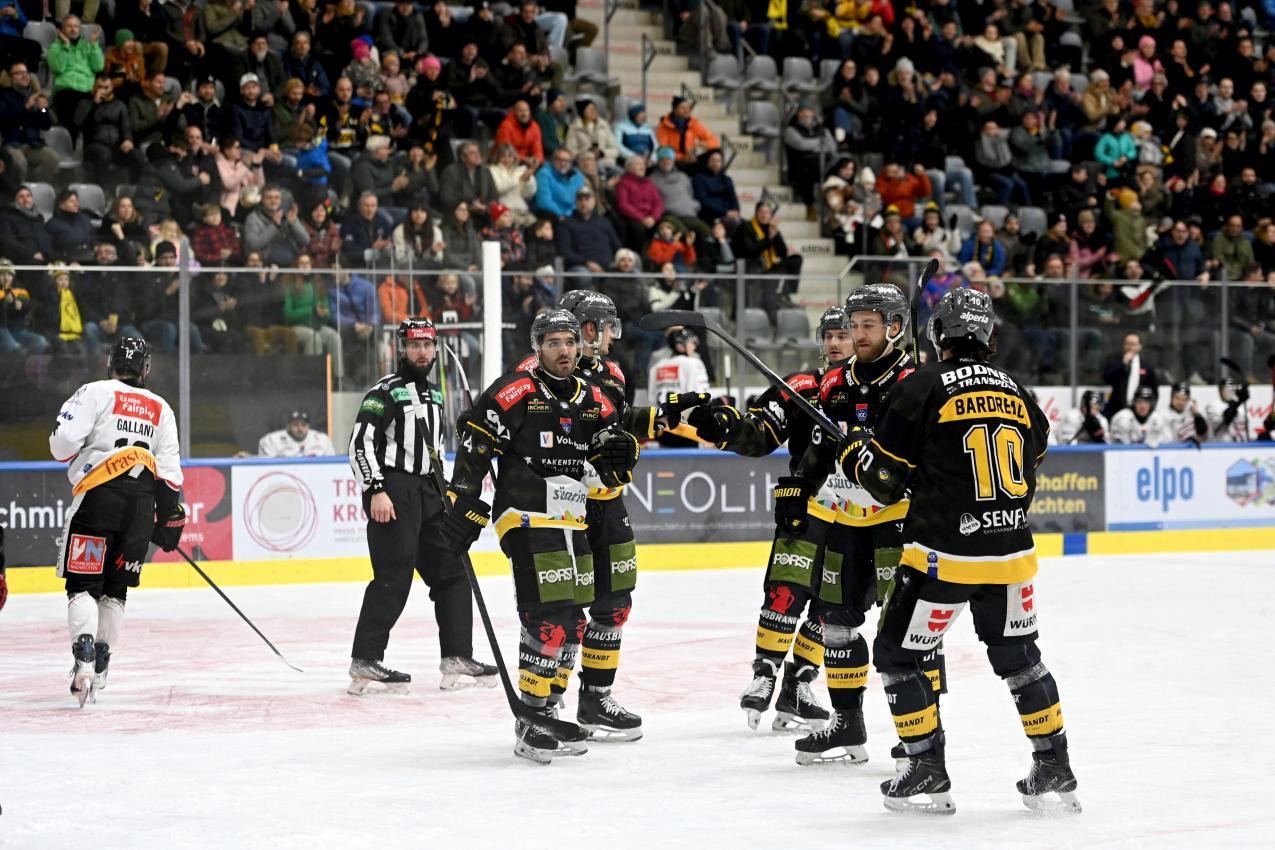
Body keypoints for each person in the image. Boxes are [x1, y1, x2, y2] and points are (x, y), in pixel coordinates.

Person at [836, 287, 1077, 815]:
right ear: (989, 335)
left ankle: (925, 767)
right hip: (1012, 555)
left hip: (942, 557)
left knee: (899, 656)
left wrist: (855, 454)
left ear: (937, 335)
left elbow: (883, 482)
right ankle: (1054, 762)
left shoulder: (923, 384)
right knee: (1021, 660)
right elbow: (1035, 452)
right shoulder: (1016, 389)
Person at [444, 308, 641, 762]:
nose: (564, 351)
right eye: (553, 343)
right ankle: (530, 717)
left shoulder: (596, 399)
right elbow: (476, 441)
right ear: (537, 348)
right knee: (549, 618)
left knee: (573, 621)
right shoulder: (516, 390)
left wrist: (621, 456)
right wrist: (465, 504)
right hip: (527, 517)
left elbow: (612, 454)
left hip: (575, 522)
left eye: (569, 342)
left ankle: (549, 706)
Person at [777, 286, 940, 765]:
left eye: (869, 324)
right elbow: (820, 449)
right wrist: (798, 485)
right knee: (835, 623)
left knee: (911, 631)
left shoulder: (918, 381)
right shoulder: (834, 383)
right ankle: (847, 725)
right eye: (854, 325)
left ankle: (923, 735)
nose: (858, 333)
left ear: (894, 327)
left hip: (899, 523)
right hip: (846, 520)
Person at [688, 308, 854, 734]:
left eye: (845, 334)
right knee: (786, 591)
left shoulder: (886, 388)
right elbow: (761, 431)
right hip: (809, 504)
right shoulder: (802, 386)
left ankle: (800, 682)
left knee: (833, 607)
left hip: (861, 517)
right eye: (829, 335)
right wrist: (726, 429)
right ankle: (765, 674)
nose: (835, 343)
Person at [348, 317, 497, 694]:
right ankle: (365, 660)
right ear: (402, 348)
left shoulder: (434, 394)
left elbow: (432, 447)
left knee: (452, 571)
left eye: (428, 345)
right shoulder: (383, 391)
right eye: (414, 345)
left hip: (430, 492)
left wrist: (445, 487)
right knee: (393, 577)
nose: (422, 351)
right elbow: (359, 445)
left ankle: (457, 656)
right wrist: (375, 489)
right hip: (394, 492)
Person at [48, 337, 185, 706]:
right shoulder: (161, 407)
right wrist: (169, 516)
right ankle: (103, 662)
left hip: (98, 502)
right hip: (139, 510)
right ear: (146, 368)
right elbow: (170, 475)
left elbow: (61, 445)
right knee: (116, 590)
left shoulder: (94, 392)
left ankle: (85, 654)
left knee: (82, 584)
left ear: (111, 363)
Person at [1101, 331, 1158, 420]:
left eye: (1133, 344)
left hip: (1139, 411)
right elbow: (1106, 378)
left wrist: (1149, 410)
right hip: (1116, 409)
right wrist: (1123, 364)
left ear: (1140, 346)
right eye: (1127, 344)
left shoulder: (1146, 367)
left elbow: (1154, 391)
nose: (1129, 347)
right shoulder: (1115, 361)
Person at [258, 410, 336, 457]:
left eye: (304, 425)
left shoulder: (322, 439)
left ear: (308, 426)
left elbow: (333, 464)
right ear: (288, 426)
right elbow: (265, 467)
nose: (300, 429)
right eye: (296, 425)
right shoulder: (271, 440)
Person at [1206, 377, 1253, 442]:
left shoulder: (1241, 408)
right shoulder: (1212, 407)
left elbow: (1247, 430)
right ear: (1220, 391)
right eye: (1228, 388)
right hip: (1222, 448)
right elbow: (1226, 419)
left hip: (1242, 447)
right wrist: (1237, 402)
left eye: (1233, 387)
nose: (1231, 390)